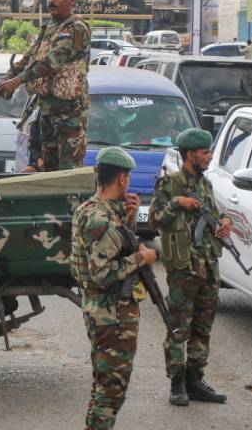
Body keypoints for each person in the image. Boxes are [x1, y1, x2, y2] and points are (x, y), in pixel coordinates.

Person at [70, 146, 155, 429]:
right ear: (121, 179)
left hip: (103, 312)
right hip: (112, 315)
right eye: (128, 177)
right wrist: (140, 258)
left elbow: (111, 250)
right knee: (112, 388)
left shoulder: (90, 208)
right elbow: (102, 274)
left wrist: (129, 220)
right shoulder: (102, 219)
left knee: (104, 384)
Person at [149, 128, 232, 407]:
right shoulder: (170, 185)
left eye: (208, 152)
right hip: (184, 269)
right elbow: (154, 221)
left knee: (202, 328)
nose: (209, 157)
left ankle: (196, 379)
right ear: (190, 155)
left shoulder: (205, 184)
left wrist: (224, 222)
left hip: (208, 267)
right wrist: (177, 203)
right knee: (178, 328)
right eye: (205, 152)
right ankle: (177, 383)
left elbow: (213, 212)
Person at [0, 0, 90, 172]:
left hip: (69, 115)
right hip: (47, 113)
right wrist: (6, 79)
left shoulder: (76, 28)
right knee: (49, 170)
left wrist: (16, 82)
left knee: (68, 173)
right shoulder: (47, 28)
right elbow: (28, 58)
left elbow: (51, 62)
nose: (52, 1)